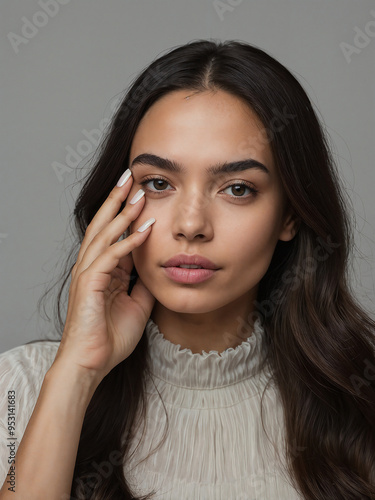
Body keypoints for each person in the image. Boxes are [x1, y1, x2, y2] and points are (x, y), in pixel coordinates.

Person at [0, 38, 374, 500]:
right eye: (158, 183)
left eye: (237, 188)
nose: (191, 225)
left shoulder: (362, 398)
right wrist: (77, 373)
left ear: (291, 214)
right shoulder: (18, 390)